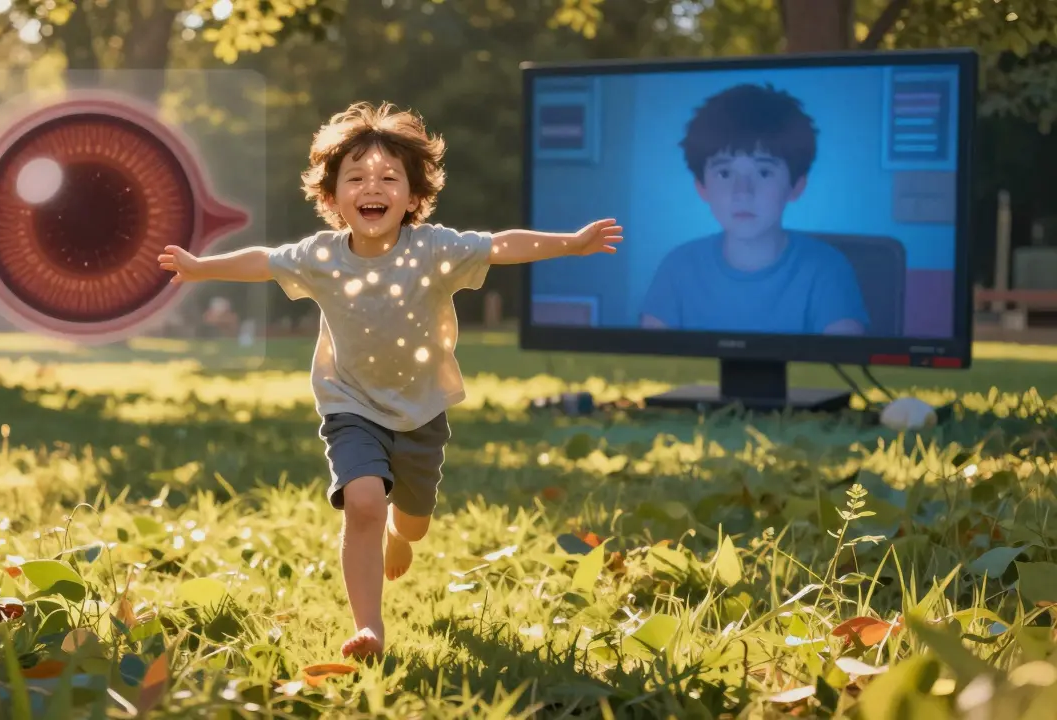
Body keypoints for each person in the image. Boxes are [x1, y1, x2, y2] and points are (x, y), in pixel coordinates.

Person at [158, 102, 621, 661]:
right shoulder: (320, 257)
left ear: (412, 195)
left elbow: (501, 245)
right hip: (350, 403)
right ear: (332, 198)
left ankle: (401, 533)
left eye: (387, 178)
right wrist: (202, 266)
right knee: (363, 504)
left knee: (413, 522)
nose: (370, 187)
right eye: (355, 177)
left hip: (422, 409)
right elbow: (263, 260)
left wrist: (570, 243)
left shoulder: (435, 249)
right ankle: (369, 627)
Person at [639, 83, 869, 335]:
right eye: (725, 173)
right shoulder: (678, 267)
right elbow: (650, 366)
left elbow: (843, 363)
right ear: (702, 187)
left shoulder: (827, 269)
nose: (743, 192)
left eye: (764, 172)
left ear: (796, 186)